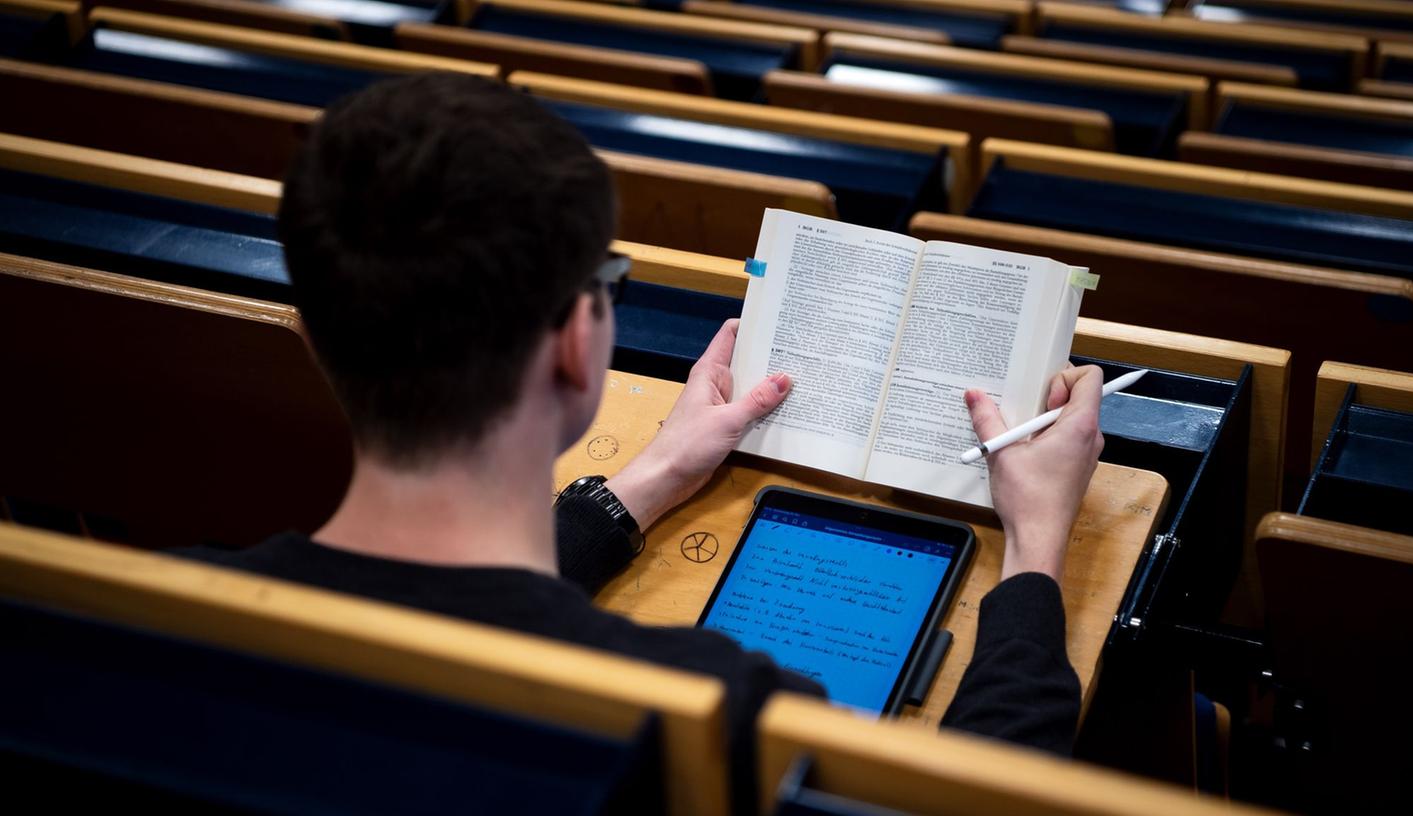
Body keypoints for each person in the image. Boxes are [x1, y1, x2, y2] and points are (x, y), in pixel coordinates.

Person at [176, 72, 1105, 808]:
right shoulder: (709, 714)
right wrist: (1033, 552)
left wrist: (651, 477)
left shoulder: (169, 607)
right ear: (579, 344)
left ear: (316, 332)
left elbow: (438, 618)